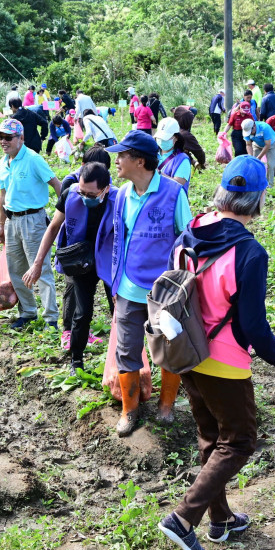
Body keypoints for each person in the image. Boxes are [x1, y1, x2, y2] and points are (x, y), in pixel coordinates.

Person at [156, 156, 275, 550]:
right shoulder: (250, 252)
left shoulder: (190, 231)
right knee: (239, 441)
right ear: (257, 200)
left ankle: (221, 520)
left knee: (210, 437)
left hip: (186, 351)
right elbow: (253, 325)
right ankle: (183, 518)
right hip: (224, 362)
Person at [100, 130, 193, 436]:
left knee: (169, 348)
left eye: (122, 155)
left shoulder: (173, 193)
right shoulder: (122, 195)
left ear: (139, 161)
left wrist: (182, 288)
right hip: (128, 289)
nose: (116, 161)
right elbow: (119, 243)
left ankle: (166, 408)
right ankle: (130, 411)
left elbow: (187, 240)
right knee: (126, 351)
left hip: (163, 294)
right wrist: (115, 284)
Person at [23, 161, 113, 372]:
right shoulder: (70, 196)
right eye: (82, 192)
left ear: (106, 189)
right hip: (81, 261)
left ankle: (122, 363)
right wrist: (37, 264)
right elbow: (53, 228)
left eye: (91, 195)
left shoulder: (119, 200)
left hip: (110, 260)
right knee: (82, 313)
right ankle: (76, 361)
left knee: (119, 312)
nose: (85, 198)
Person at [0, 119, 63, 330]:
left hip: (33, 220)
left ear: (21, 138)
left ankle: (51, 318)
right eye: (0, 137)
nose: (3, 142)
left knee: (40, 269)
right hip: (11, 220)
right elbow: (3, 195)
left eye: (8, 137)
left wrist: (65, 214)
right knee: (15, 269)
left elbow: (56, 184)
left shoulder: (33, 159)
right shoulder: (2, 163)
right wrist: (1, 225)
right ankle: (28, 311)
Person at [155, 118, 192, 190]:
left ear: (176, 138)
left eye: (165, 138)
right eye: (159, 138)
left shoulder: (182, 159)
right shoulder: (153, 153)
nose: (162, 141)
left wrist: (157, 173)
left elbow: (177, 185)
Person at [241, 118, 275, 185]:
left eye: (250, 131)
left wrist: (258, 157)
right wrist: (251, 156)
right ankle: (254, 182)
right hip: (257, 145)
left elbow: (267, 145)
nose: (249, 133)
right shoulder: (246, 130)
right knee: (253, 164)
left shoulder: (264, 127)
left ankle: (269, 184)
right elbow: (248, 144)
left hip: (271, 145)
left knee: (271, 165)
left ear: (254, 126)